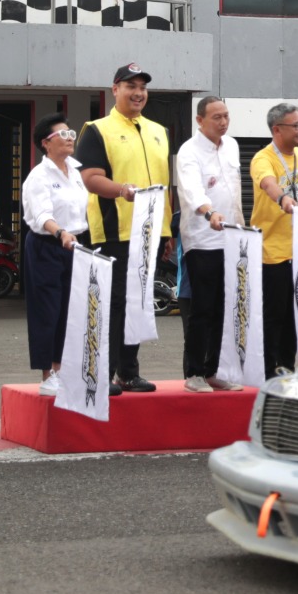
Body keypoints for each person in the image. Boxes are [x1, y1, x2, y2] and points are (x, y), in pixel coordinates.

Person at [75, 62, 172, 395]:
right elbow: (89, 178)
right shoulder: (96, 129)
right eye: (130, 86)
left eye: (143, 87)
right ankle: (103, 372)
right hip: (113, 232)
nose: (138, 93)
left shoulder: (159, 131)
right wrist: (121, 190)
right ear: (114, 89)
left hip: (150, 234)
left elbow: (164, 184)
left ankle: (128, 372)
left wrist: (167, 230)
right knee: (113, 303)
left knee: (140, 304)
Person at [175, 96, 243, 392]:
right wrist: (209, 212)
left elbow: (235, 192)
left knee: (224, 308)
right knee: (202, 308)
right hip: (202, 239)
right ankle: (194, 372)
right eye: (217, 117)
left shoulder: (233, 146)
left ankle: (215, 369)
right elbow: (191, 190)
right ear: (199, 120)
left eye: (226, 116)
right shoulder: (189, 151)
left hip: (231, 237)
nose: (223, 122)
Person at [21, 113, 88, 396]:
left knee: (73, 310)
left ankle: (64, 368)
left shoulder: (76, 171)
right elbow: (42, 215)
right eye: (63, 134)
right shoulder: (38, 177)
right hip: (48, 245)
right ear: (46, 143)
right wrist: (60, 233)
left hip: (76, 244)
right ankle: (48, 373)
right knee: (48, 309)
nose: (70, 138)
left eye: (71, 133)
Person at [250, 102, 298, 377]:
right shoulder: (263, 158)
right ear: (277, 129)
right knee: (272, 317)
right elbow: (267, 183)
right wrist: (283, 198)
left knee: (295, 318)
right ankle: (267, 371)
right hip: (270, 252)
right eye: (296, 125)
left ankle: (287, 367)